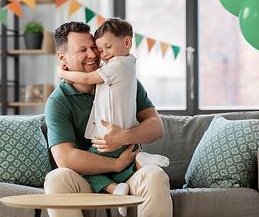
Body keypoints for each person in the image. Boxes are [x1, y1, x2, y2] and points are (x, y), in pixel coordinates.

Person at [44, 21, 173, 217]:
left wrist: (123, 137)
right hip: (88, 180)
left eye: (93, 47)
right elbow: (65, 158)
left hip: (131, 173)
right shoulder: (58, 101)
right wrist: (116, 164)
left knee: (154, 175)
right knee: (56, 178)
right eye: (82, 50)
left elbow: (156, 127)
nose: (94, 55)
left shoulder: (123, 80)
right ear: (63, 57)